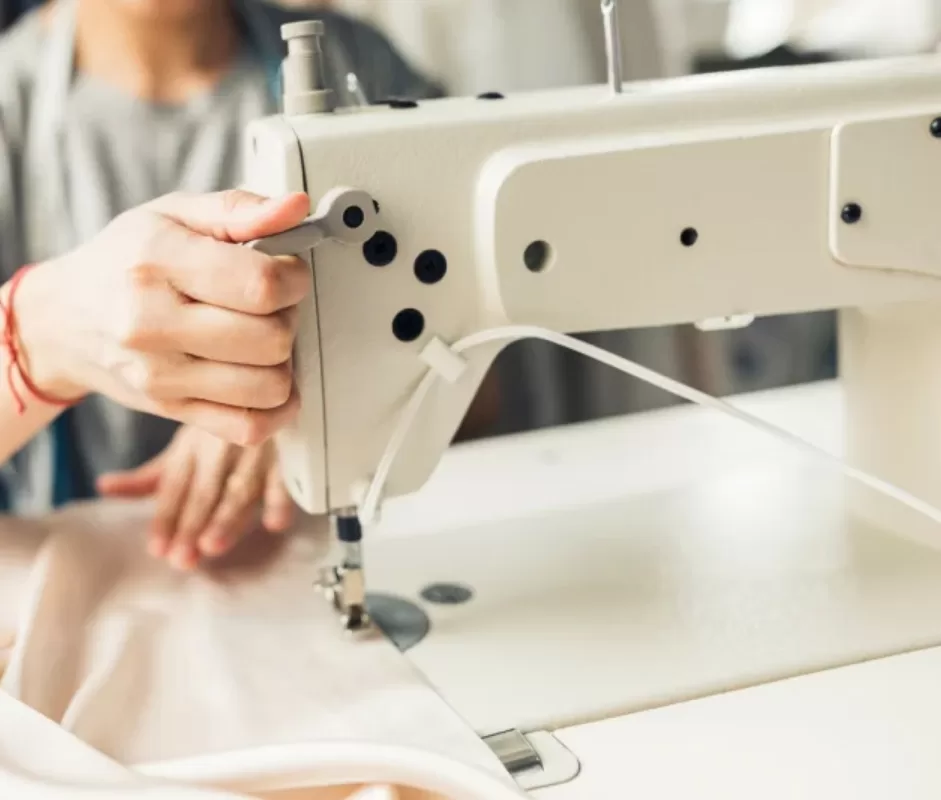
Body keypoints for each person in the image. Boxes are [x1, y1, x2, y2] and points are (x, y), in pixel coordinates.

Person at [0, 0, 452, 570]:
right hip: (75, 581)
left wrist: (327, 390)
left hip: (326, 554)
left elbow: (487, 380)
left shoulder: (359, 69)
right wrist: (40, 337)